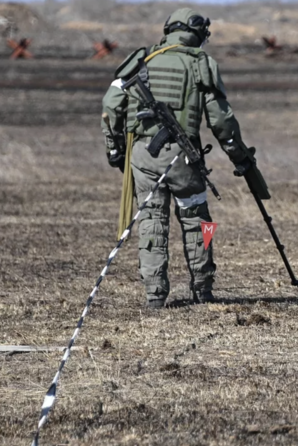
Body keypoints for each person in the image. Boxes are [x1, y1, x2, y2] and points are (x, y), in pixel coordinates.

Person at [100, 8, 258, 308]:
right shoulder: (201, 64)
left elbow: (110, 108)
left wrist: (116, 150)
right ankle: (203, 288)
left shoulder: (140, 60)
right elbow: (222, 121)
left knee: (151, 221)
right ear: (198, 33)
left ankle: (155, 295)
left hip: (143, 157)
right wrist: (238, 156)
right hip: (183, 160)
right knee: (199, 221)